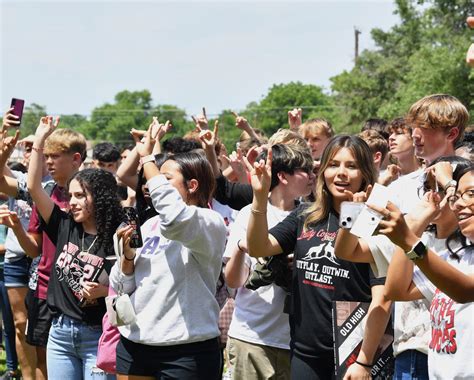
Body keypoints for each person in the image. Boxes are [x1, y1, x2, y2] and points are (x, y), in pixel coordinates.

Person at [246, 135, 391, 379]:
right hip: (305, 353)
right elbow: (258, 247)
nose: (341, 173)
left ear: (365, 173)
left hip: (353, 353)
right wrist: (260, 196)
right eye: (333, 165)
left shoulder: (376, 222)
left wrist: (364, 362)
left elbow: (382, 300)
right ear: (323, 171)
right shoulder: (306, 215)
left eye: (351, 166)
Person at [110, 123, 227, 379]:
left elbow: (175, 218)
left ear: (193, 185)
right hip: (136, 343)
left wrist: (147, 158)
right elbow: (122, 285)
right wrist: (127, 259)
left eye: (164, 179)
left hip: (186, 351)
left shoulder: (210, 222)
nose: (151, 185)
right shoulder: (151, 224)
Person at [28, 116, 122, 379]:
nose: (73, 202)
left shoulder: (117, 236)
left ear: (100, 198)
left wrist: (106, 290)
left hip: (98, 335)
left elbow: (134, 287)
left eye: (81, 196)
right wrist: (40, 139)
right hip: (59, 334)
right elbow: (34, 187)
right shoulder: (64, 225)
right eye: (71, 196)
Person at [374, 164, 474, 379]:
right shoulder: (457, 257)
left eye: (471, 194)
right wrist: (415, 226)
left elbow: (465, 290)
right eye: (457, 196)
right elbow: (397, 289)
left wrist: (409, 241)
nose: (459, 204)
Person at [224, 143, 314, 380]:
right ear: (283, 176)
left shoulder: (313, 216)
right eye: (306, 171)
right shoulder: (250, 214)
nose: (314, 176)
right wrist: (242, 248)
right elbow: (233, 281)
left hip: (298, 342)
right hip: (251, 337)